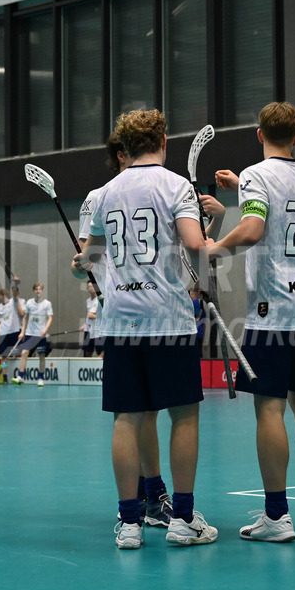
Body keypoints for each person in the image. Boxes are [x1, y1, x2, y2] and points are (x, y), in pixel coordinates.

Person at [72, 108, 218, 549]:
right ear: (164, 141)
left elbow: (86, 264)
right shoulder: (176, 186)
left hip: (119, 322)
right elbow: (195, 246)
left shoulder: (102, 194)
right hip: (168, 319)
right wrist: (214, 248)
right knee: (184, 415)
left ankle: (130, 523)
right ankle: (183, 519)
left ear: (124, 147)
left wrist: (81, 267)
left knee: (126, 419)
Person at [210, 101, 295, 542]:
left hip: (274, 308)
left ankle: (277, 515)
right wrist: (241, 184)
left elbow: (253, 229)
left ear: (259, 134)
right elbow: (280, 208)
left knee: (269, 406)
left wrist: (213, 248)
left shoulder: (257, 176)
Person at [11, 283, 54, 387]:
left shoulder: (47, 304)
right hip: (30, 333)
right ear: (34, 291)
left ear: (42, 291)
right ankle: (20, 376)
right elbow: (25, 317)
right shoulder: (29, 302)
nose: (38, 291)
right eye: (36, 289)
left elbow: (50, 318)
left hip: (41, 335)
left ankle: (40, 378)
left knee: (41, 356)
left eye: (40, 289)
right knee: (24, 353)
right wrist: (22, 332)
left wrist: (45, 329)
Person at [0, 280, 24, 378]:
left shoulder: (12, 303)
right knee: (4, 356)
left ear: (3, 295)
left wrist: (16, 283)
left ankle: (20, 375)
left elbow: (14, 294)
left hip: (14, 332)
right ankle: (4, 376)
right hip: (3, 333)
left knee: (18, 353)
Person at [80, 281, 102, 358]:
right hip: (88, 329)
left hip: (97, 330)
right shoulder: (88, 300)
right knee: (87, 351)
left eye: (92, 286)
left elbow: (91, 315)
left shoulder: (99, 299)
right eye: (89, 287)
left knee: (101, 351)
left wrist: (99, 317)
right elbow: (88, 315)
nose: (90, 288)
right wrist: (85, 324)